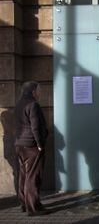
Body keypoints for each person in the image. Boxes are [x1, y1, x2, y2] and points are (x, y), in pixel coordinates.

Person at [14, 81, 49, 216]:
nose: (41, 93)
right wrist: (40, 144)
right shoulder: (33, 104)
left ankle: (24, 204)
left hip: (19, 145)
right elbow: (35, 126)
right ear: (33, 91)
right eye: (39, 90)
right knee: (33, 177)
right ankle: (33, 208)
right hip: (31, 145)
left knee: (23, 175)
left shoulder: (19, 104)